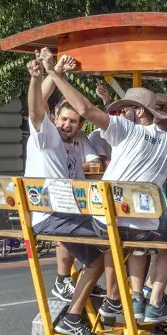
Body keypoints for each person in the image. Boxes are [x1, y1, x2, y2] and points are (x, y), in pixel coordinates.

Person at [37, 48, 167, 332]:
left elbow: (85, 109)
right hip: (138, 227)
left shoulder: (125, 129)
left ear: (138, 112)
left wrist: (52, 73)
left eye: (125, 109)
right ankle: (150, 300)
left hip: (106, 221)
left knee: (126, 239)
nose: (121, 112)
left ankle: (126, 298)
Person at [38, 62, 103, 302]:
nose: (67, 125)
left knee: (106, 235)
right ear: (55, 117)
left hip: (75, 202)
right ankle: (64, 280)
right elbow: (37, 103)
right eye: (64, 119)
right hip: (56, 208)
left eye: (73, 122)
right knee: (108, 239)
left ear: (80, 125)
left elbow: (96, 162)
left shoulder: (80, 139)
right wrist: (53, 72)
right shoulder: (47, 136)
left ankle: (87, 279)